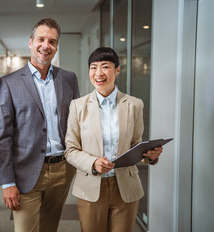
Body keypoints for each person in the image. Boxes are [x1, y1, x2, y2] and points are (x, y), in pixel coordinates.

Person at [0, 18, 80, 232]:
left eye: (52, 41)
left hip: (62, 169)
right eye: (41, 39)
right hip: (26, 172)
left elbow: (77, 123)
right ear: (30, 42)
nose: (46, 46)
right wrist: (7, 183)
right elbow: (2, 137)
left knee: (50, 228)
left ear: (56, 47)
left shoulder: (69, 79)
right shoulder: (10, 82)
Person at [64, 47, 163, 232]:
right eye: (93, 67)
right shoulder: (78, 106)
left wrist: (150, 155)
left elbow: (136, 144)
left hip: (125, 187)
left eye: (105, 67)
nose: (99, 73)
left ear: (117, 70)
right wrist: (93, 162)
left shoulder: (134, 104)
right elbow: (70, 150)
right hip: (91, 188)